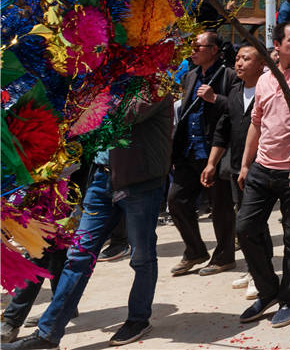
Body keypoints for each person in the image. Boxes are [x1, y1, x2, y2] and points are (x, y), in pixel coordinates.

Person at [4, 98, 172, 349]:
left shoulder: (156, 84)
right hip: (101, 180)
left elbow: (121, 116)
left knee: (142, 256)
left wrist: (93, 97)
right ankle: (49, 334)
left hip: (141, 183)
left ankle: (138, 318)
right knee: (77, 256)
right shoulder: (108, 82)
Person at [237, 22, 290, 328]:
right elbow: (256, 124)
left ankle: (288, 300)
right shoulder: (265, 80)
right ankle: (268, 288)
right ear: (278, 45)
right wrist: (246, 164)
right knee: (245, 229)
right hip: (262, 167)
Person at [168, 31, 238, 277]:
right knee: (176, 200)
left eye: (198, 46)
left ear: (214, 49)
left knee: (221, 208)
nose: (193, 49)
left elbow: (239, 108)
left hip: (216, 151)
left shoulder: (229, 74)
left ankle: (225, 256)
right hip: (189, 151)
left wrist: (215, 98)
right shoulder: (189, 76)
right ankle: (195, 250)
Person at [203, 44, 267, 294]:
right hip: (237, 167)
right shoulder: (234, 91)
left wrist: (251, 164)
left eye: (246, 59)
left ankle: (261, 277)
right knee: (245, 220)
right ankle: (253, 269)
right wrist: (212, 162)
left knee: (253, 224)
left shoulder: (268, 89)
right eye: (238, 59)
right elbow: (223, 130)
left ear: (261, 64)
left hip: (261, 166)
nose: (239, 63)